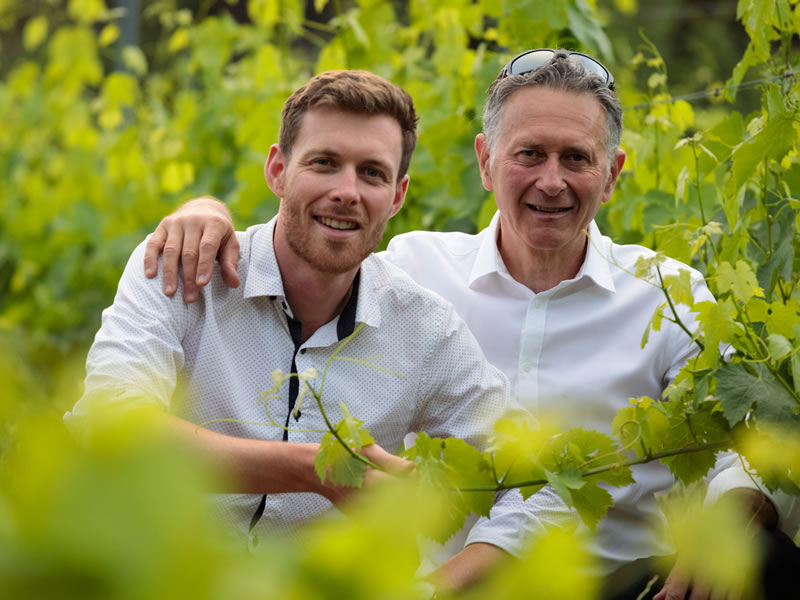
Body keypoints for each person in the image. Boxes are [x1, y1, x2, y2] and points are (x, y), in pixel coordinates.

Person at [143, 52, 800, 598]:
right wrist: (205, 210)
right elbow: (308, 250)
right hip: (462, 589)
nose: (552, 181)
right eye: (529, 154)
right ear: (486, 162)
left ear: (613, 175)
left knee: (765, 558)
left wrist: (732, 514)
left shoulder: (670, 291)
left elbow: (753, 442)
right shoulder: (412, 273)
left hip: (628, 587)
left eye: (577, 158)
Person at [68, 70, 545, 586]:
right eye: (324, 163)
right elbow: (112, 426)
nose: (347, 192)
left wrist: (434, 589)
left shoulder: (423, 328)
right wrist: (314, 467)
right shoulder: (185, 270)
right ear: (277, 170)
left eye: (372, 173)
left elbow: (543, 481)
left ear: (398, 194)